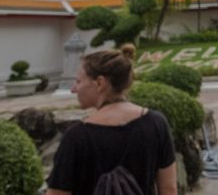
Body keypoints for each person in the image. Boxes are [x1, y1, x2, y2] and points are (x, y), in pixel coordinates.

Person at [46, 44, 178, 195]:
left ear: (100, 83)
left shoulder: (76, 136)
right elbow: (169, 188)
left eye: (78, 81)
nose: (73, 89)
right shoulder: (156, 123)